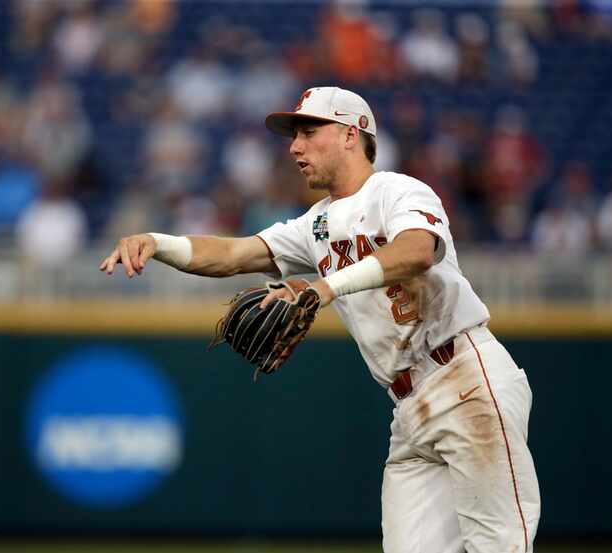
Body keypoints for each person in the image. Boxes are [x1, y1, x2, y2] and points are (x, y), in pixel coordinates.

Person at [100, 86, 540, 553]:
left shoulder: (397, 190)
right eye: (294, 136)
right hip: (409, 409)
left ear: (352, 134)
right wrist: (157, 241)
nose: (294, 146)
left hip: (464, 379)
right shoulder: (315, 225)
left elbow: (417, 251)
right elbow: (233, 253)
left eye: (309, 131)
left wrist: (326, 286)